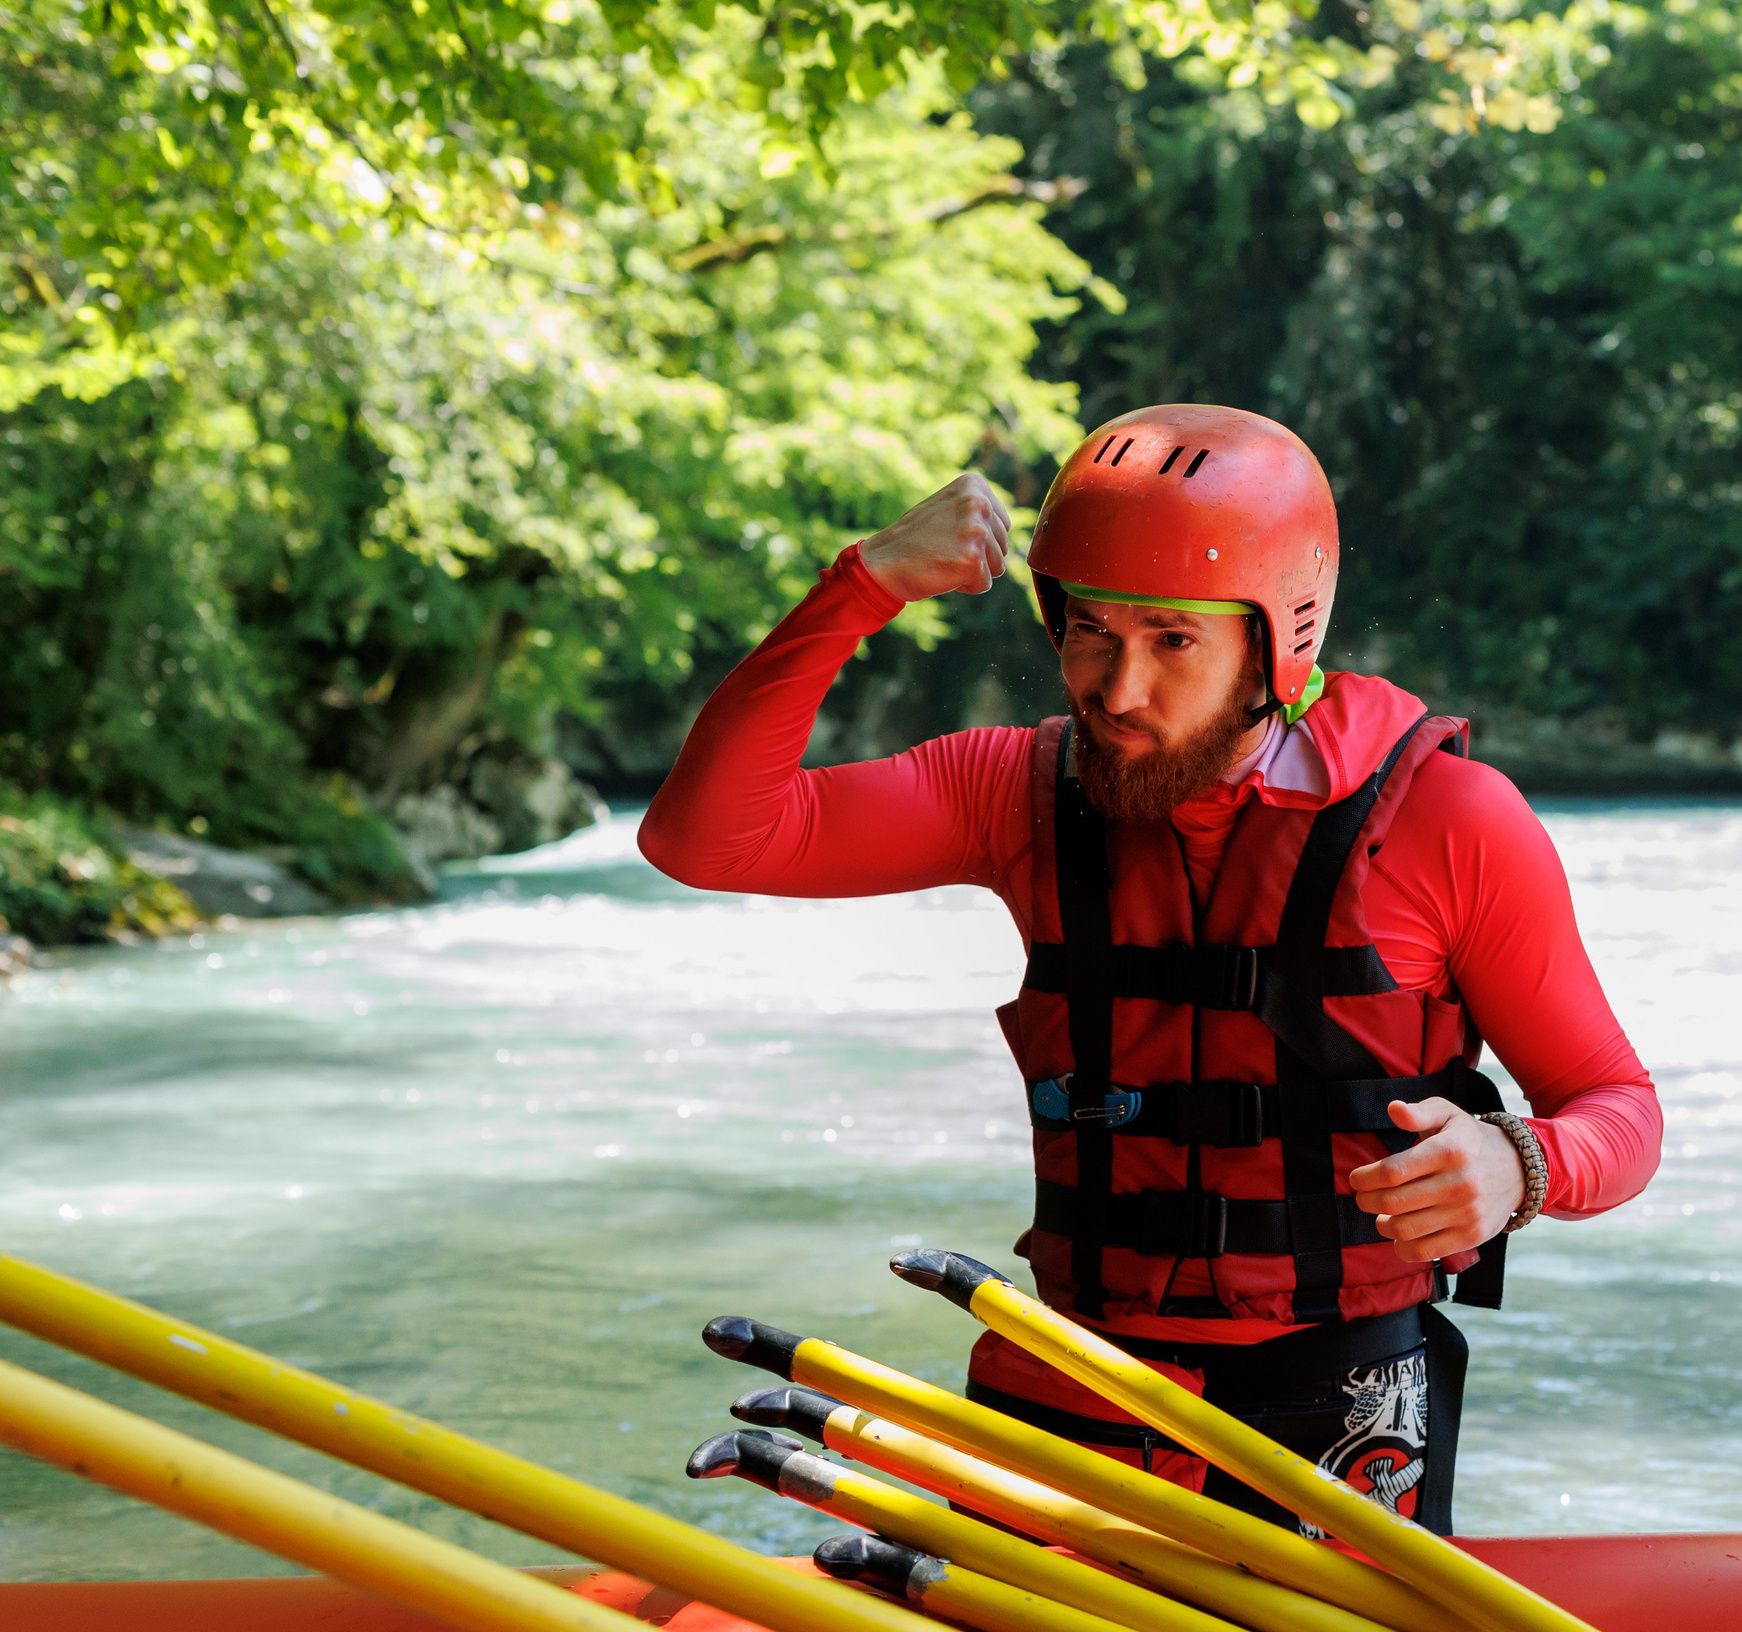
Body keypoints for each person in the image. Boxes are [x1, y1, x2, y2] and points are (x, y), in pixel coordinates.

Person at [640, 405, 1660, 1535]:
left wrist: (1522, 1162)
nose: (1116, 688)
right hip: (1080, 1375)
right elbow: (704, 839)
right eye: (1089, 632)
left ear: (1280, 644)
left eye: (1173, 640)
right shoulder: (1015, 793)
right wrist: (861, 586)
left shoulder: (1448, 821)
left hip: (1338, 1400)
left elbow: (1617, 1107)